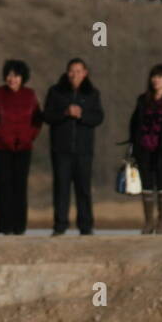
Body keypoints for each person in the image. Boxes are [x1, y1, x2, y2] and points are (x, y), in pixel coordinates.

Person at [42, 58, 104, 236]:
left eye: (78, 71)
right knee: (61, 189)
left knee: (83, 189)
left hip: (84, 150)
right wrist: (65, 113)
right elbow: (46, 116)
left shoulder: (92, 93)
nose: (74, 74)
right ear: (66, 72)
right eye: (71, 71)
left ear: (85, 73)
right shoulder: (56, 92)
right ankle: (60, 225)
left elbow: (98, 117)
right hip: (61, 149)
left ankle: (86, 226)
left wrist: (82, 115)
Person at [0, 59, 43, 235]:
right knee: (3, 186)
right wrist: (3, 136)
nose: (12, 79)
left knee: (20, 186)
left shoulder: (30, 95)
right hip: (0, 146)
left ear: (23, 77)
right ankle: (4, 226)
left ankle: (20, 226)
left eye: (16, 75)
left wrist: (29, 137)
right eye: (9, 75)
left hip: (23, 147)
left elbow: (37, 120)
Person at [128, 63, 162, 234]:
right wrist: (133, 144)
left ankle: (161, 222)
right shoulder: (142, 99)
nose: (156, 80)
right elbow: (134, 123)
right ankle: (148, 222)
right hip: (143, 147)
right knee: (146, 183)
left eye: (159, 77)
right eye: (154, 76)